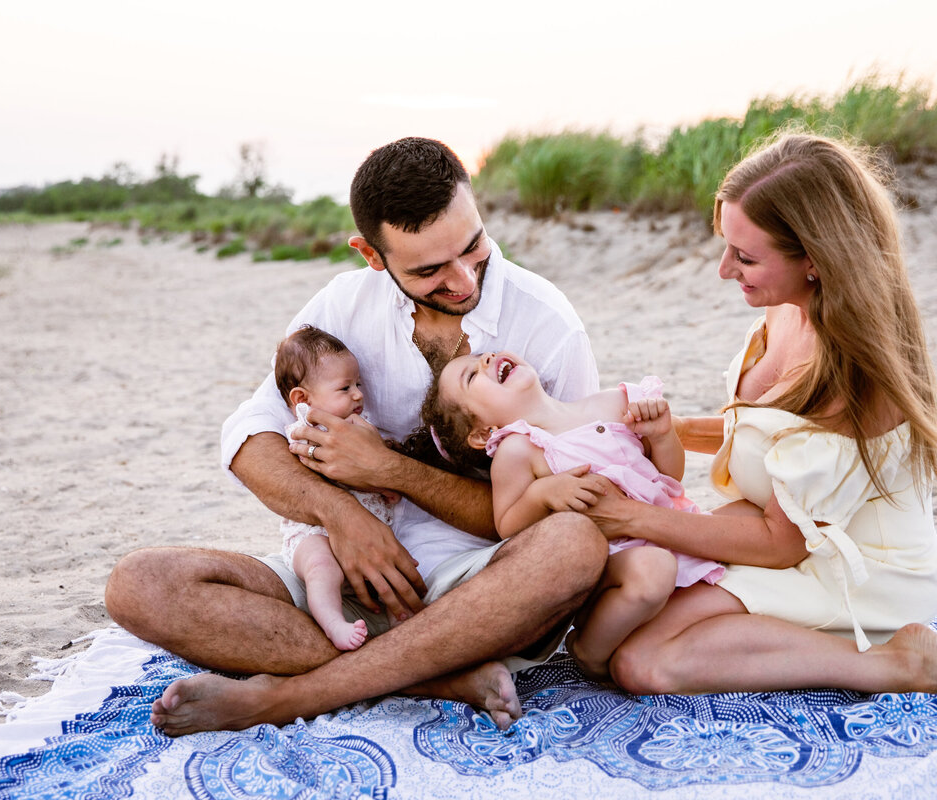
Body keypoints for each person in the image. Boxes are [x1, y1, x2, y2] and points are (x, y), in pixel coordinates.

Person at [104, 137, 608, 735]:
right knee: (140, 585)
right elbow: (251, 436)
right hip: (335, 581)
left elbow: (569, 498)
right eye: (428, 269)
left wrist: (391, 471)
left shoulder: (547, 324)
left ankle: (285, 698)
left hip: (479, 588)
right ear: (372, 253)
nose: (463, 275)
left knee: (574, 544)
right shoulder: (340, 306)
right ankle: (435, 678)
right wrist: (343, 517)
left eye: (472, 246)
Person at [577, 132, 937, 697]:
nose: (725, 270)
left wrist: (628, 517)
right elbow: (759, 433)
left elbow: (784, 543)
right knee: (627, 613)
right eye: (725, 246)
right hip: (777, 524)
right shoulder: (787, 309)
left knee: (644, 662)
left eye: (745, 257)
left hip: (852, 566)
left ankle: (899, 662)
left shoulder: (857, 376)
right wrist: (626, 433)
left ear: (816, 262)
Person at [421, 351, 723, 679]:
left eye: (483, 355)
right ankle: (589, 650)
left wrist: (663, 436)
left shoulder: (612, 403)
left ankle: (654, 636)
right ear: (483, 432)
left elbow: (669, 479)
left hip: (671, 533)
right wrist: (541, 494)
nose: (486, 359)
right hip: (612, 565)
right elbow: (507, 525)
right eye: (471, 375)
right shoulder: (519, 450)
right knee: (655, 571)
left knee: (725, 560)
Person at [274, 325, 397, 651]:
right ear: (303, 399)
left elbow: (378, 467)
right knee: (321, 568)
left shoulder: (359, 426)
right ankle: (332, 622)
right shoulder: (307, 431)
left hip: (365, 536)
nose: (358, 394)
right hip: (313, 534)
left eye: (358, 384)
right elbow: (328, 470)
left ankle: (402, 629)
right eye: (344, 388)